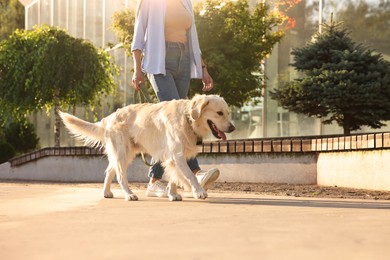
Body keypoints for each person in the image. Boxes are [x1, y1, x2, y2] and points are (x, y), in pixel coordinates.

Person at [131, 0, 220, 197]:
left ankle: (155, 180)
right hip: (159, 61)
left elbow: (193, 40)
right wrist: (137, 70)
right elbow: (138, 38)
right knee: (177, 122)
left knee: (189, 120)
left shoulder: (186, 2)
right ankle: (196, 172)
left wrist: (203, 69)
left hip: (184, 60)